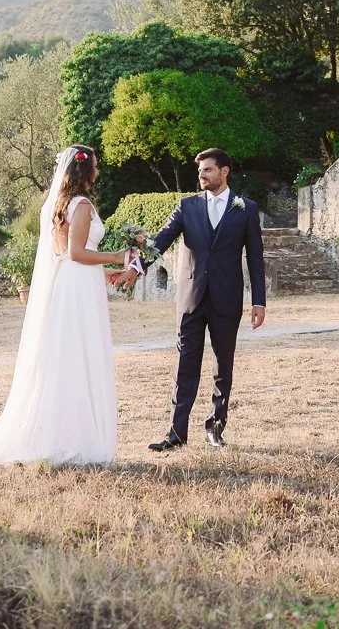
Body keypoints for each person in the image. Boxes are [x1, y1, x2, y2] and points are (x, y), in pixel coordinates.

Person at [0, 146, 127, 466]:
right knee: (80, 356)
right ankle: (76, 440)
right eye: (96, 167)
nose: (98, 172)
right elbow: (77, 254)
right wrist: (118, 256)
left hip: (71, 285)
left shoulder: (59, 205)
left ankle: (59, 433)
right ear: (85, 170)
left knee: (66, 357)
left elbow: (67, 259)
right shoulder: (83, 205)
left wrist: (104, 272)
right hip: (78, 291)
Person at [112, 147, 266, 451]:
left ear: (224, 172)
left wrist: (259, 301)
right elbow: (160, 241)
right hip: (191, 299)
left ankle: (215, 428)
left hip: (227, 298)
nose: (202, 175)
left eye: (208, 170)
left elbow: (256, 258)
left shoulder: (245, 208)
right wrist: (134, 268)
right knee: (185, 365)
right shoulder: (186, 207)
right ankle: (176, 433)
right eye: (200, 171)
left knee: (223, 366)